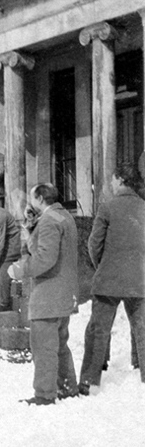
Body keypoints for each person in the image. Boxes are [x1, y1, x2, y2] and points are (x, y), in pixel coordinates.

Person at [8, 184, 79, 405]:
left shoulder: (48, 221)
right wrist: (31, 232)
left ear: (39, 198)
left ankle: (45, 395)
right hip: (63, 292)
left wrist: (20, 269)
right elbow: (49, 250)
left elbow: (46, 258)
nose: (30, 202)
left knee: (43, 346)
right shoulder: (63, 216)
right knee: (59, 343)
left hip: (48, 294)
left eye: (32, 198)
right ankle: (67, 387)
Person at [78, 163, 145, 394]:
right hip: (139, 280)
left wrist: (102, 266)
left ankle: (90, 382)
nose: (111, 183)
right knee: (142, 330)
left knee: (98, 330)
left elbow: (94, 244)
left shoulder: (107, 208)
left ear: (119, 180)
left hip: (109, 279)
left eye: (113, 180)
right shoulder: (144, 208)